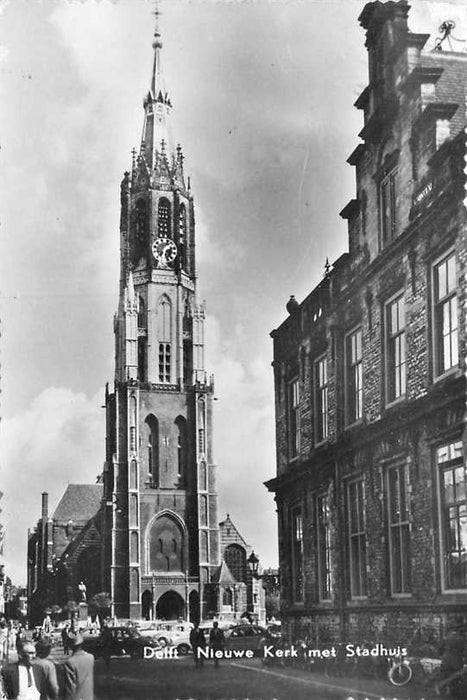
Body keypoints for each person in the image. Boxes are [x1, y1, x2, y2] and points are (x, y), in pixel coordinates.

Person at [437, 620, 466, 699]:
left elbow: (440, 648)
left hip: (446, 660)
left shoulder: (446, 637)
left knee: (445, 676)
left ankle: (444, 692)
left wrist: (442, 655)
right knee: (456, 679)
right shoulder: (462, 638)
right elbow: (464, 650)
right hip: (457, 660)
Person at [62, 633, 94, 700]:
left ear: (70, 646)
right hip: (89, 696)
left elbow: (70, 688)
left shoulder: (70, 662)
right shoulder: (91, 657)